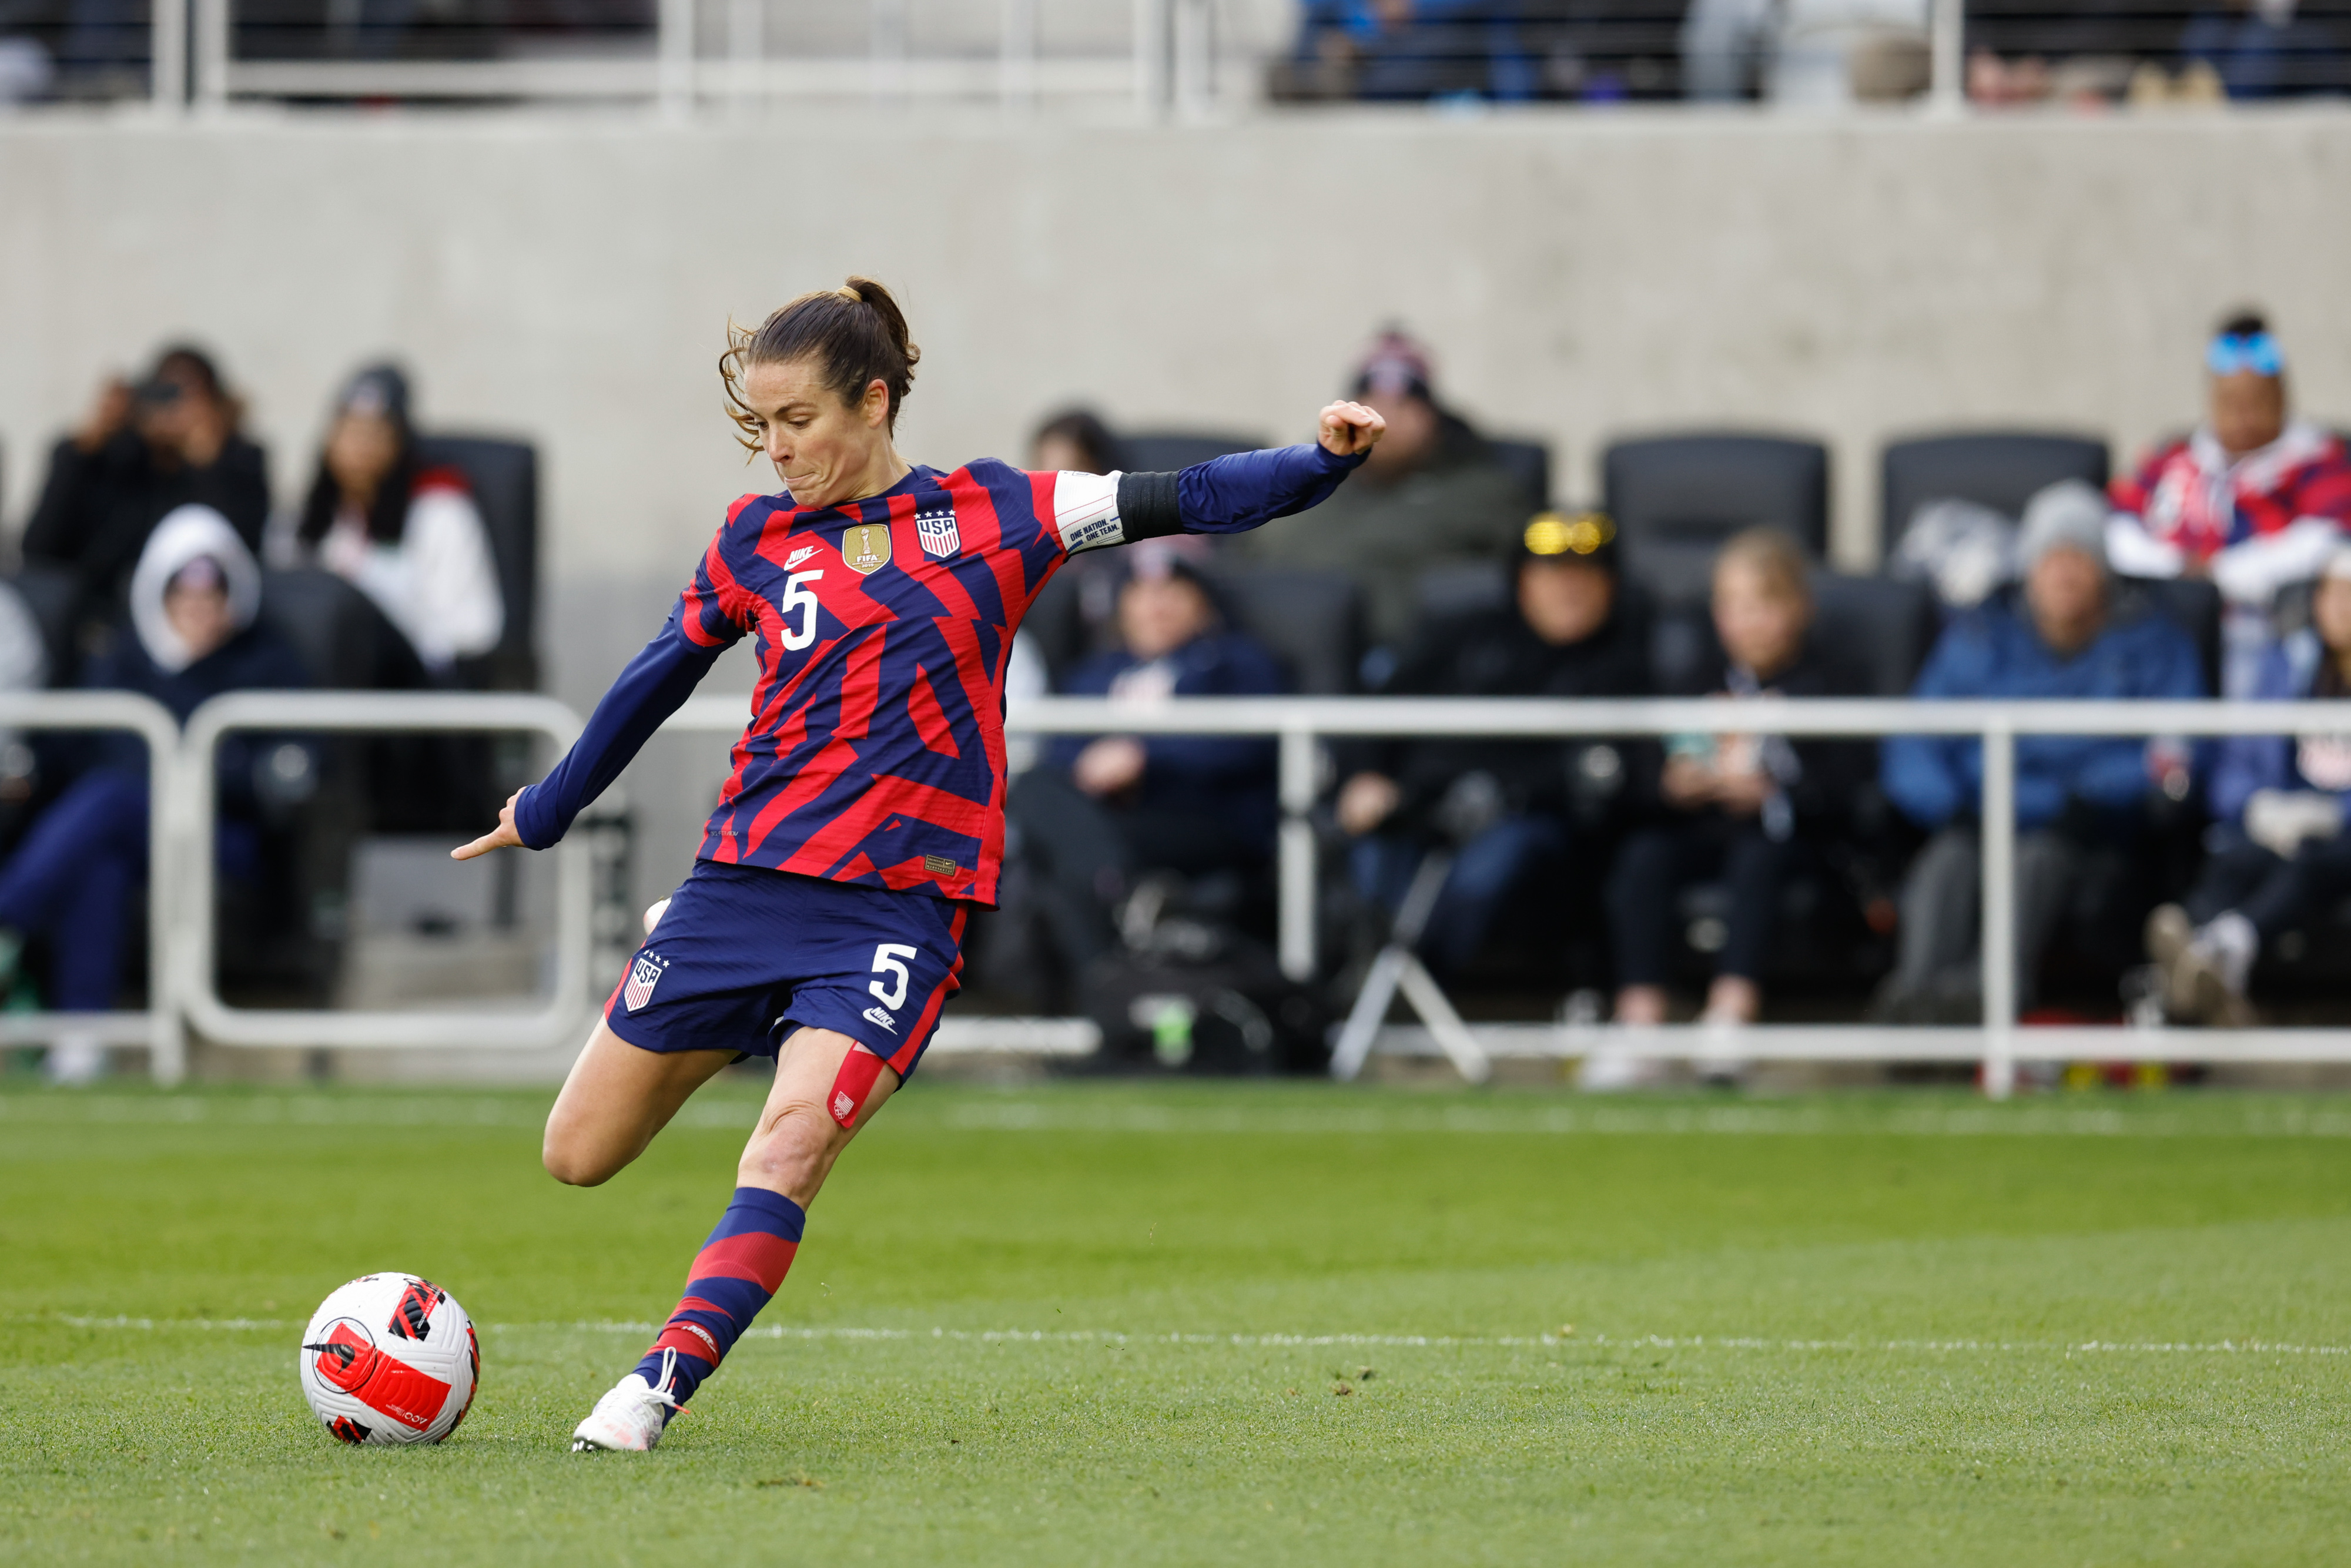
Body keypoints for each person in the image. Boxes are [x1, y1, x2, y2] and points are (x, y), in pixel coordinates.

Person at [448, 277, 1384, 1453]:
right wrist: (544, 808)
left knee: (788, 1143)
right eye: (763, 426)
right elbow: (654, 676)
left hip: (892, 918)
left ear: (875, 402)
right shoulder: (755, 538)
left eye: (799, 422)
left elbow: (1183, 496)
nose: (778, 449)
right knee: (575, 1154)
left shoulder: (997, 514)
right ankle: (732, 994)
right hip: (740, 885)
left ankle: (651, 1387)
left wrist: (1320, 458)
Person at [0, 506, 309, 1084]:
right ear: (158, 596)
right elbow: (78, 747)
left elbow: (286, 769)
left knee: (113, 797)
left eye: (211, 598)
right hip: (130, 835)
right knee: (102, 862)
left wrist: (202, 767)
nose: (199, 612)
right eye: (184, 599)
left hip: (226, 840)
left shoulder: (268, 657)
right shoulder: (122, 658)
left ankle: (8, 911)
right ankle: (81, 1042)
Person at [1877, 483, 2206, 1020]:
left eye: (2080, 559)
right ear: (2029, 567)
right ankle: (1913, 1002)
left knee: (2036, 862)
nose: (2065, 574)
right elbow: (1916, 738)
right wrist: (1948, 805)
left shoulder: (2154, 643)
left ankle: (1989, 996)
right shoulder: (1981, 635)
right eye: (2052, 558)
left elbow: (2177, 752)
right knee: (1947, 862)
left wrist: (2094, 798)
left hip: (2083, 830)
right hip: (1976, 816)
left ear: (2104, 571)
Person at [1338, 510, 1648, 984]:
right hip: (1420, 806)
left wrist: (1501, 791)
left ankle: (1409, 988)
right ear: (1521, 582)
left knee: (1490, 870)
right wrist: (1365, 775)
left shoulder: (1627, 663)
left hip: (1531, 824)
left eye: (1585, 576)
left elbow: (1604, 774)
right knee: (1369, 853)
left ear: (1611, 586)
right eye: (1551, 575)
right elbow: (1374, 713)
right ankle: (1382, 986)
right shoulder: (1463, 636)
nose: (1568, 590)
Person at [1608, 528, 1871, 1031]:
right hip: (1705, 828)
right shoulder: (1695, 680)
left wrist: (1772, 791)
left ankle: (1732, 1009)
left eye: (1764, 603)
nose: (1748, 621)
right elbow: (1646, 769)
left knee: (1758, 857)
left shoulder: (1835, 684)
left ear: (1800, 607)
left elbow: (1852, 784)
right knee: (1644, 856)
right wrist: (1675, 784)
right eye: (1732, 605)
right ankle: (1639, 1017)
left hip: (1799, 840)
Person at [1006, 547, 1287, 981]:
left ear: (1203, 605)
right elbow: (1061, 751)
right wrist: (1091, 768)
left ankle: (1107, 978)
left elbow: (1250, 744)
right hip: (1108, 820)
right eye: (1142, 595)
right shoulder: (1096, 673)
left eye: (1172, 593)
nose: (1157, 608)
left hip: (1201, 818)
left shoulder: (1234, 662)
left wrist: (1147, 756)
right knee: (1031, 788)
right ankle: (1116, 905)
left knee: (1068, 865)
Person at [1236, 330, 1538, 658]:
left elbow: (1531, 585)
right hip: (1298, 672)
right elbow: (1239, 577)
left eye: (1405, 404)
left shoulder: (1486, 494)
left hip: (1438, 671)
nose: (1386, 420)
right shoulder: (1288, 490)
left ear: (1434, 417)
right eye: (1372, 404)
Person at [2148, 544, 2351, 1026]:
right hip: (2281, 825)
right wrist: (2256, 805)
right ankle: (2202, 965)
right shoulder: (2287, 668)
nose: (2343, 606)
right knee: (2241, 855)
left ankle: (2214, 954)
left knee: (2312, 862)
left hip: (2339, 840)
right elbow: (2239, 759)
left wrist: (2333, 814)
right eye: (2335, 592)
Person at [2106, 310, 2351, 698]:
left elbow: (2326, 539)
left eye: (2256, 400)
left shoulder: (2319, 458)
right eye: (2229, 401)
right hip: (2167, 627)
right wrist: (2180, 571)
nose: (2243, 415)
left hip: (2268, 632)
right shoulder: (2174, 457)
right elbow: (2114, 530)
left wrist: (2222, 573)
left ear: (2282, 395)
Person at [24, 345, 270, 646]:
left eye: (188, 397)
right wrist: (88, 445)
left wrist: (207, 462)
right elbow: (39, 551)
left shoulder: (238, 461)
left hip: (204, 630)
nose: (172, 409)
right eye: (163, 395)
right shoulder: (116, 460)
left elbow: (241, 555)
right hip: (103, 624)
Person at [283, 363, 505, 674]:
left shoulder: (440, 511)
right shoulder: (308, 520)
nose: (360, 449)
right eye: (349, 432)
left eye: (374, 434)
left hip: (409, 689)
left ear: (400, 443)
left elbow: (473, 630)